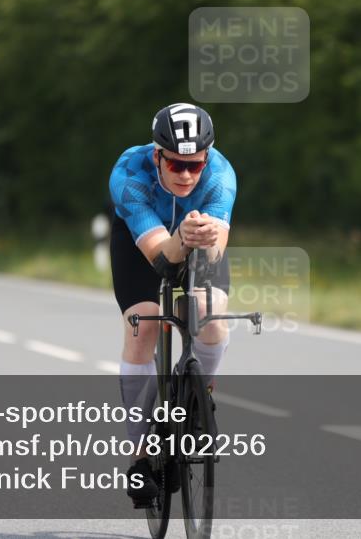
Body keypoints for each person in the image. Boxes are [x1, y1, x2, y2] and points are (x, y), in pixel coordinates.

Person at [108, 103, 236, 506]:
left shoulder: (220, 174)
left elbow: (214, 254)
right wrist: (182, 237)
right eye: (176, 164)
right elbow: (161, 259)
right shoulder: (130, 175)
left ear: (207, 159)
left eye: (194, 166)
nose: (185, 174)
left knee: (211, 318)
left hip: (195, 242)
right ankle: (142, 456)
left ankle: (199, 394)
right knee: (144, 323)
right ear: (157, 155)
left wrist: (206, 239)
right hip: (141, 246)